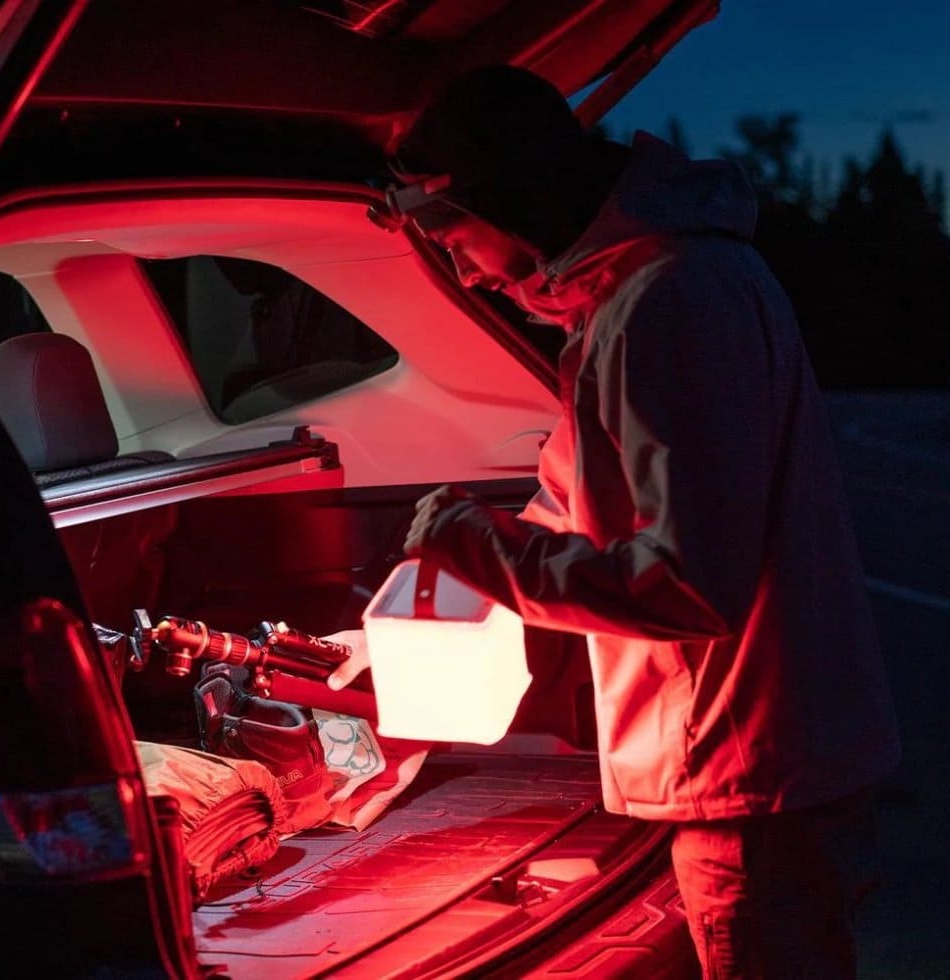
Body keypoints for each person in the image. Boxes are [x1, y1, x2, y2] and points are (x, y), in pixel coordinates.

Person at [329, 65, 901, 979]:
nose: (462, 269)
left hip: (748, 780)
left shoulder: (663, 305)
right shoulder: (653, 291)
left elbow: (682, 583)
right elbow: (572, 505)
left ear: (508, 196)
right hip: (768, 766)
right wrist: (419, 616)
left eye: (453, 234)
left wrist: (463, 536)